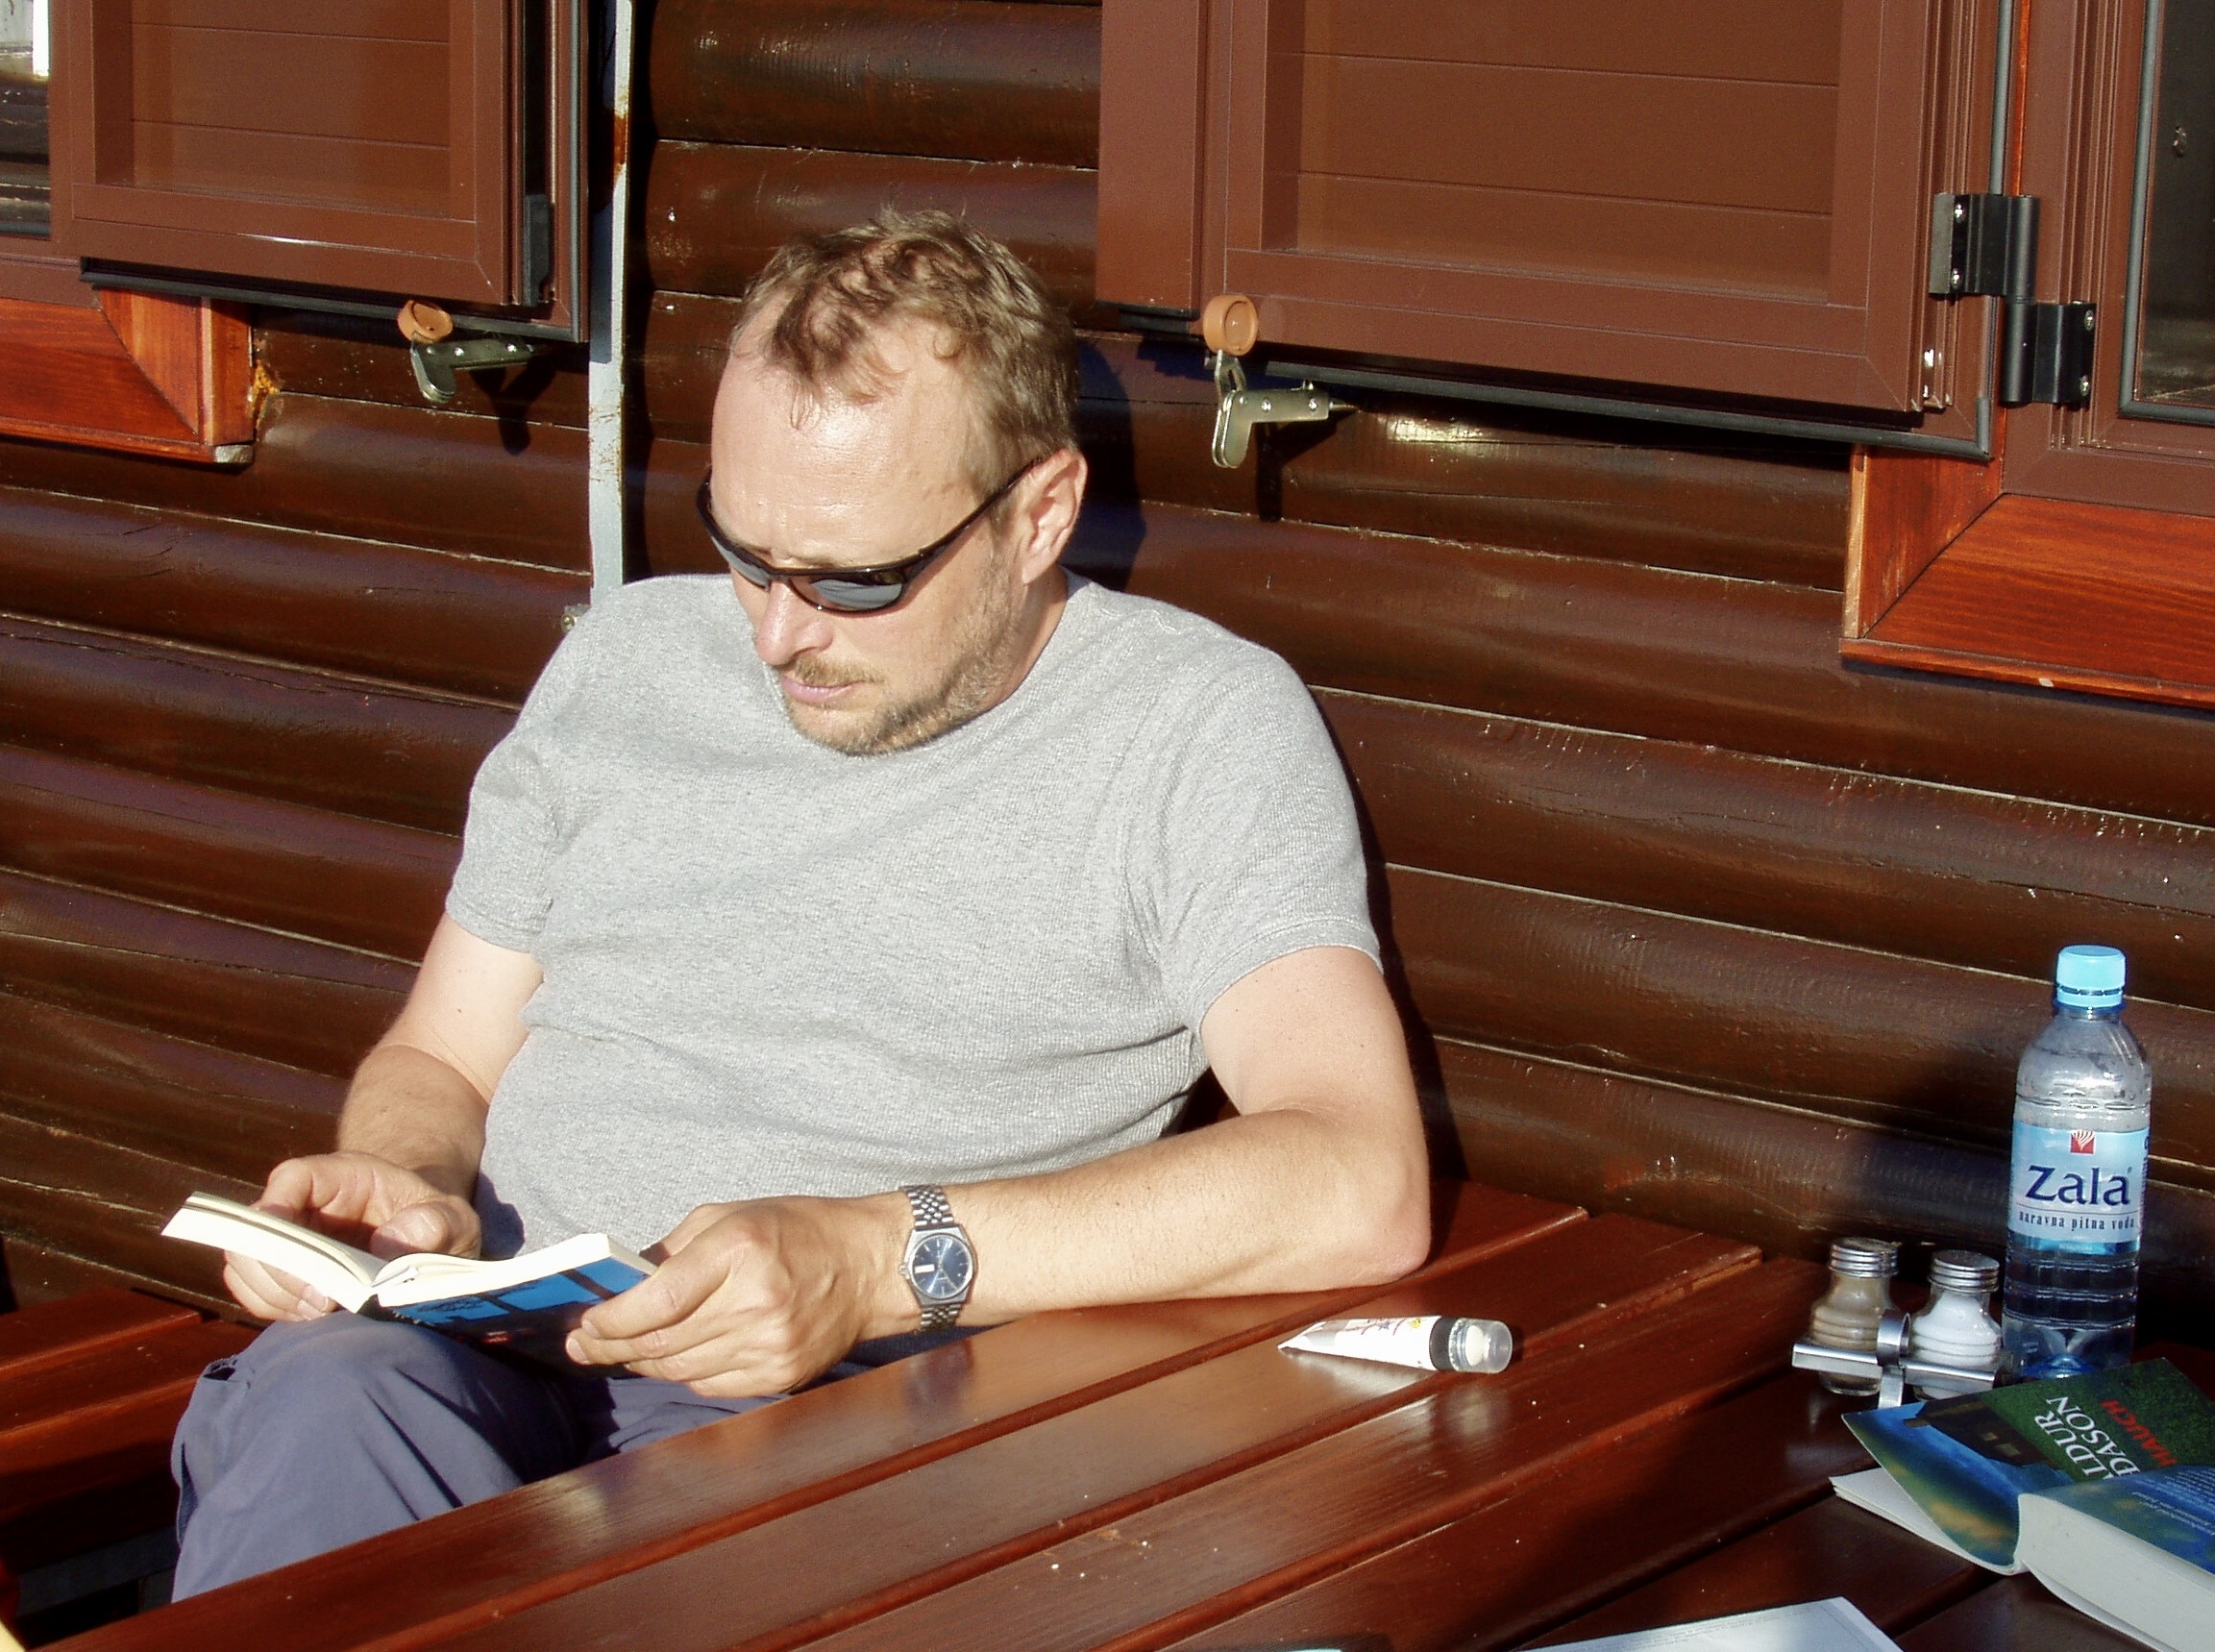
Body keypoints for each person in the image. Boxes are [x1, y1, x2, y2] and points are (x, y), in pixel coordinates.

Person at [168, 211, 1429, 1595]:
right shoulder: (627, 662)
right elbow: (442, 1056)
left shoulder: (1191, 731)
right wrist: (399, 1185)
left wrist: (877, 1262)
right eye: (744, 550)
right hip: (477, 1354)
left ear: (1039, 515)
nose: (778, 633)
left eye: (857, 578)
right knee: (320, 1403)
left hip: (843, 1403)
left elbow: (1355, 1177)